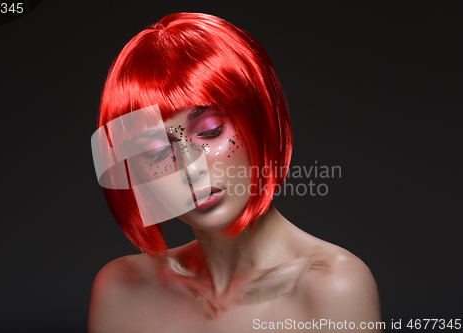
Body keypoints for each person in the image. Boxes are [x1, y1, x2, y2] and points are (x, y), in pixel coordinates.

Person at [88, 13, 382, 333]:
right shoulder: (121, 292)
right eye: (157, 151)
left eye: (211, 131)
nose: (189, 166)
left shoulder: (333, 289)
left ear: (260, 120)